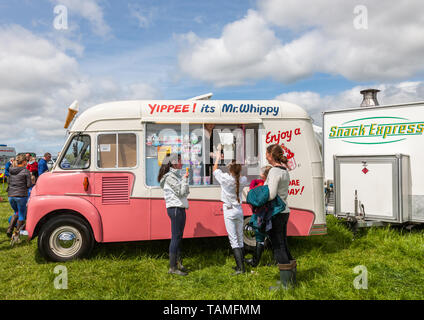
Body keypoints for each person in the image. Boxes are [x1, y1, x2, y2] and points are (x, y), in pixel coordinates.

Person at [212, 147, 248, 275]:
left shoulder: (226, 179)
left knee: (233, 240)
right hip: (239, 210)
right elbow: (239, 175)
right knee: (239, 238)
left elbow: (214, 169)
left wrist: (217, 156)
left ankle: (240, 269)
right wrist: (235, 165)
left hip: (229, 210)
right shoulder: (242, 180)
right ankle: (242, 265)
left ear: (230, 170)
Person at [265, 144, 296, 289]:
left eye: (266, 153)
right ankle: (291, 279)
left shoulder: (274, 171)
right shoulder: (284, 170)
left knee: (278, 246)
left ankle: (285, 284)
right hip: (285, 211)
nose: (265, 156)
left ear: (270, 155)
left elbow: (271, 194)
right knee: (283, 244)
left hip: (276, 212)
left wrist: (259, 195)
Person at [158, 153, 190, 276]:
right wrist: (185, 180)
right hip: (176, 209)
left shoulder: (175, 176)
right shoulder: (170, 177)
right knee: (176, 237)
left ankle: (178, 264)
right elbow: (182, 192)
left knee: (179, 237)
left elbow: (185, 192)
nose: (182, 163)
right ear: (174, 163)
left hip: (179, 208)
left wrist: (184, 181)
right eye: (180, 161)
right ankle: (172, 267)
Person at [246, 165, 272, 267]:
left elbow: (259, 200)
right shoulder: (264, 183)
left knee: (266, 236)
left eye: (262, 173)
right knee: (259, 236)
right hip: (261, 213)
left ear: (265, 175)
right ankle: (255, 261)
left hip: (264, 213)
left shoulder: (266, 185)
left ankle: (277, 261)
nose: (260, 175)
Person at [6, 155, 33, 238]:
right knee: (21, 214)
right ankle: (17, 234)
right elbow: (29, 185)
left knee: (16, 212)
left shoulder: (10, 170)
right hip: (21, 195)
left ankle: (10, 229)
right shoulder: (26, 171)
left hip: (11, 195)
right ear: (24, 162)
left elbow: (9, 182)